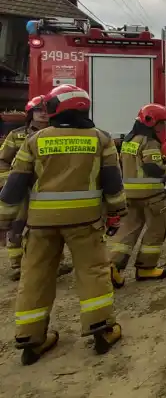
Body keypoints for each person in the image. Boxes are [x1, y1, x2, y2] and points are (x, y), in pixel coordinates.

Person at [0, 84, 127, 365]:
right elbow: (112, 182)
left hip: (40, 224)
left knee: (35, 277)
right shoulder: (101, 139)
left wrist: (5, 221)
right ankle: (101, 330)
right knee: (93, 272)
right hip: (86, 221)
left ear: (57, 108)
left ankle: (31, 339)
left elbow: (15, 185)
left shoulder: (35, 141)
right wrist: (117, 211)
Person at [109, 103, 166, 287]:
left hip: (130, 195)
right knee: (156, 230)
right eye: (161, 123)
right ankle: (146, 267)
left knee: (128, 230)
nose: (162, 127)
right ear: (151, 122)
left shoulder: (129, 141)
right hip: (151, 195)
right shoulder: (149, 141)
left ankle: (113, 266)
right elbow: (153, 168)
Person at [1, 96, 73, 281]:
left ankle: (56, 263)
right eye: (38, 110)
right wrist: (8, 182)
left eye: (45, 110)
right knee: (18, 225)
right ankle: (18, 265)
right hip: (22, 189)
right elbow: (3, 161)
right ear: (30, 113)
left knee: (50, 226)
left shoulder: (57, 133)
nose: (42, 114)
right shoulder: (16, 136)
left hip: (47, 189)